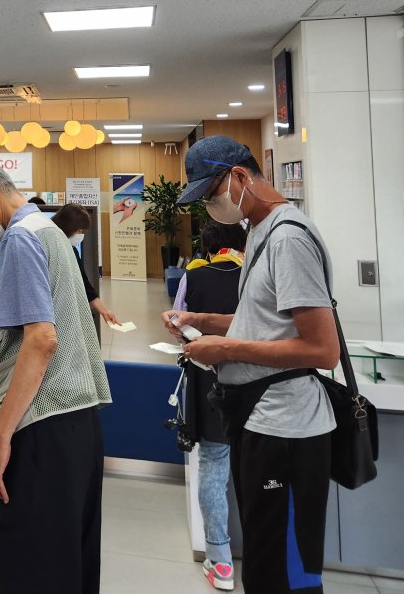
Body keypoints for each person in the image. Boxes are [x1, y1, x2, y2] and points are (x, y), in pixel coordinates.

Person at [162, 136, 339, 594]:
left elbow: (322, 349)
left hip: (288, 429)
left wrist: (225, 350)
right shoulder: (258, 231)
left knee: (286, 570)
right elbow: (263, 320)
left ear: (240, 176)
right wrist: (201, 320)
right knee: (262, 562)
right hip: (259, 421)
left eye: (211, 194)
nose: (209, 208)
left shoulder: (289, 239)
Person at [0, 157, 112, 593]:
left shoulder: (21, 240)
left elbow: (42, 340)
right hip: (79, 422)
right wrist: (1, 315)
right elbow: (53, 312)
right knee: (71, 560)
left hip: (42, 427)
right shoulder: (50, 232)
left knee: (31, 565)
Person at [171, 221, 247, 591]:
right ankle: (268, 554)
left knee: (214, 465)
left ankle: (220, 561)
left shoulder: (193, 276)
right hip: (260, 385)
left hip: (209, 381)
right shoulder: (255, 274)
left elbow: (177, 322)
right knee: (258, 464)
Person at [50, 203, 120, 327]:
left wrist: (104, 310)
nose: (80, 235)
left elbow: (83, 283)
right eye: (79, 230)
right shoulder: (48, 247)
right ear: (67, 226)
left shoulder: (72, 251)